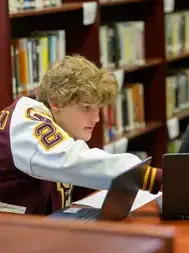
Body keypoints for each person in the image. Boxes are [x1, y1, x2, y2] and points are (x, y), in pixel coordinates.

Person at [0, 55, 162, 215]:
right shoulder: (27, 122)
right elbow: (70, 161)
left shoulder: (59, 127)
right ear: (56, 103)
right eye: (86, 107)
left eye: (98, 108)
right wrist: (150, 177)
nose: (96, 119)